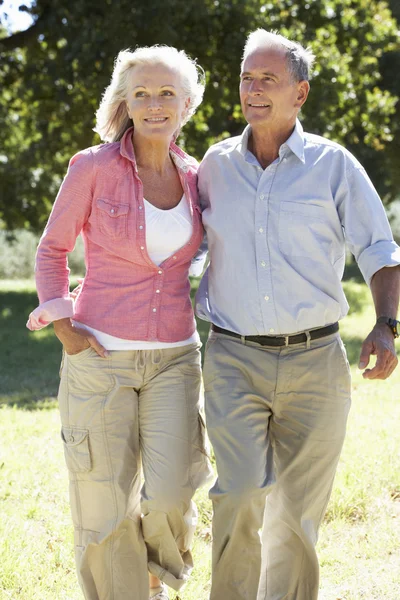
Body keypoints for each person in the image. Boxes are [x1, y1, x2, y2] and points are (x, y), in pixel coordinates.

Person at [196, 29, 400, 600]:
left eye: (269, 79)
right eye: (246, 78)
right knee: (236, 492)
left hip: (316, 362)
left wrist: (386, 324)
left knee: (296, 515)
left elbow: (380, 251)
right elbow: (181, 244)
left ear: (301, 93)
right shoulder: (213, 166)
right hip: (233, 355)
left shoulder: (334, 166)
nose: (253, 90)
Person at [27, 45, 213, 600]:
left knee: (172, 494)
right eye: (141, 94)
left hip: (176, 360)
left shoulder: (198, 176)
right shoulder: (92, 167)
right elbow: (50, 252)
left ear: (187, 103)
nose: (153, 104)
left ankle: (156, 578)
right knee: (104, 500)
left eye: (166, 93)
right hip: (100, 359)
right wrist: (64, 326)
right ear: (126, 103)